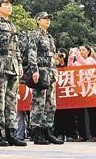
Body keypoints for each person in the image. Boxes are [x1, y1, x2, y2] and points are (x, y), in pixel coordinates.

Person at [0, 0, 27, 147]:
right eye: (6, 4)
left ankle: (11, 133)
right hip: (0, 64)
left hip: (13, 66)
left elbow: (17, 48)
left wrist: (20, 64)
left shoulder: (13, 26)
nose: (9, 7)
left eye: (10, 5)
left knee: (11, 101)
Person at [25, 12, 63, 145]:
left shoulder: (50, 37)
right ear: (38, 20)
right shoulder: (35, 34)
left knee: (51, 103)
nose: (47, 21)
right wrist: (34, 70)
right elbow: (32, 52)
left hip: (51, 71)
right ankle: (36, 131)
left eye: (48, 19)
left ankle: (47, 130)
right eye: (44, 19)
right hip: (41, 70)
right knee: (39, 102)